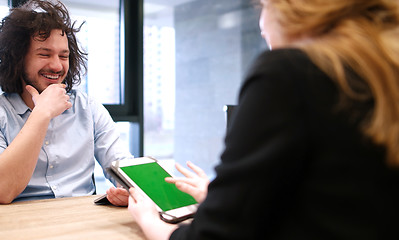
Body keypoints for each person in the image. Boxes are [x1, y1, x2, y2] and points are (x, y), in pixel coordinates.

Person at [128, 0, 399, 239]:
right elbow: (334, 200)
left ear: (288, 9)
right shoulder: (383, 78)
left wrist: (149, 220)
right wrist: (225, 198)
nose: (265, 34)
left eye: (263, 6)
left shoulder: (288, 74)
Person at [0, 0, 132, 206]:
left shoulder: (87, 107)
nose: (56, 65)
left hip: (82, 221)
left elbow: (123, 166)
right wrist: (41, 113)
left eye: (64, 56)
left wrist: (130, 190)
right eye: (44, 54)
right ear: (17, 58)